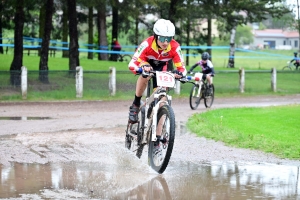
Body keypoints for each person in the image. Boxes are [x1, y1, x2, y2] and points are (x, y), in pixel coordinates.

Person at [128, 18, 186, 123]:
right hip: (147, 64)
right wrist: (139, 69)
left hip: (163, 67)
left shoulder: (175, 47)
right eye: (162, 38)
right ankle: (136, 104)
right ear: (155, 36)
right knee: (146, 74)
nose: (165, 42)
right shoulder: (147, 44)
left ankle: (159, 136)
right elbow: (132, 64)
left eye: (169, 39)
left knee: (162, 102)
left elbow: (182, 69)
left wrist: (180, 74)